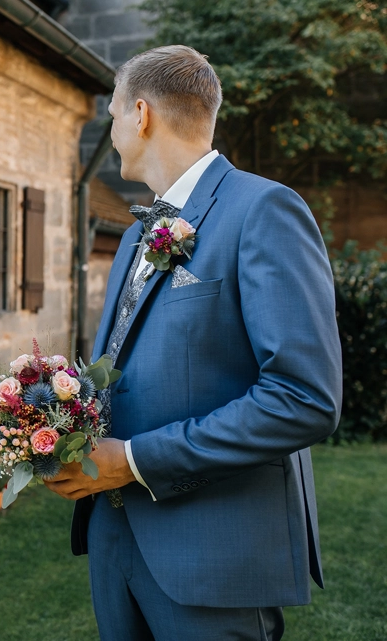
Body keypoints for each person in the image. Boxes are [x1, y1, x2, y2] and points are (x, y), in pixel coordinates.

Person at [45, 46, 342, 640]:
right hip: (116, 543)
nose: (112, 129)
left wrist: (131, 461)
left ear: (141, 113)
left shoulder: (263, 211)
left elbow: (303, 398)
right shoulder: (134, 238)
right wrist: (54, 414)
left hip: (211, 555)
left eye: (112, 115)